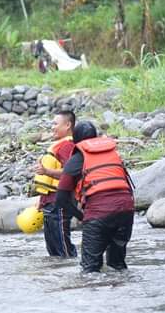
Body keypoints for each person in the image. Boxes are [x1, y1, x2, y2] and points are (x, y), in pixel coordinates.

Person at [53, 121, 136, 273]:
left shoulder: (77, 159)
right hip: (126, 211)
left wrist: (81, 216)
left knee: (90, 270)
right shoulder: (113, 155)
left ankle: (92, 295)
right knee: (117, 265)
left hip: (98, 213)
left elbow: (61, 198)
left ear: (75, 141)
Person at [33, 110, 78, 259]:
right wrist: (42, 200)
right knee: (52, 247)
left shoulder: (67, 145)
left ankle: (71, 270)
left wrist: (46, 171)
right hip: (49, 202)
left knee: (62, 245)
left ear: (67, 125)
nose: (52, 127)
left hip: (60, 201)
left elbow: (70, 171)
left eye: (55, 123)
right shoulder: (58, 145)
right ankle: (57, 275)